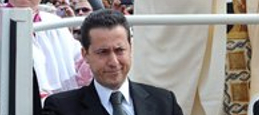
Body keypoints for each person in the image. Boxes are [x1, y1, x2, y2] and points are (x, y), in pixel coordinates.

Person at [43, 10, 183, 115]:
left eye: (119, 50)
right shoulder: (61, 108)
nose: (113, 62)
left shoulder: (164, 103)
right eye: (103, 52)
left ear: (130, 49)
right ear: (85, 55)